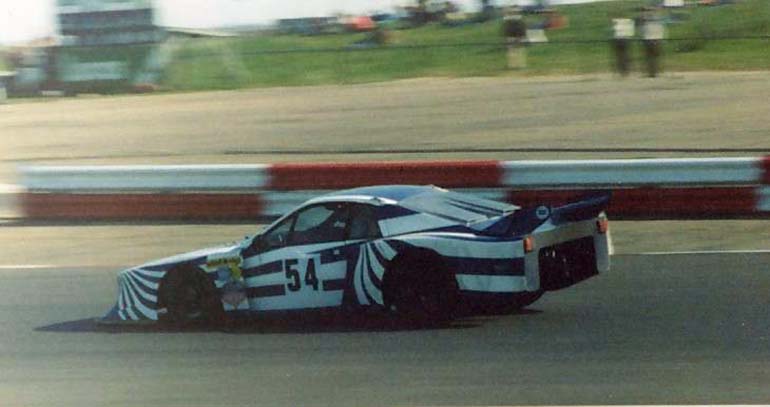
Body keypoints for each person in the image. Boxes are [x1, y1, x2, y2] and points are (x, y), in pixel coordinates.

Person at [640, 7, 665, 77]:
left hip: (651, 39)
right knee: (652, 57)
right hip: (653, 39)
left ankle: (653, 72)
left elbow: (643, 20)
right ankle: (653, 72)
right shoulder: (657, 19)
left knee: (652, 57)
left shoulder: (647, 19)